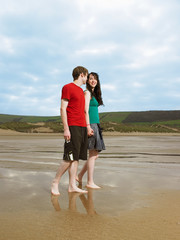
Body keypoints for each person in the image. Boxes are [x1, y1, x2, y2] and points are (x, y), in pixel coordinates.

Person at [51, 66, 89, 195]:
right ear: (82, 74)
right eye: (87, 76)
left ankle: (72, 185)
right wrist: (66, 128)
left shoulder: (81, 91)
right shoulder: (67, 87)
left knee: (76, 158)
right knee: (69, 157)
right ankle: (55, 182)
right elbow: (62, 109)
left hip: (82, 126)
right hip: (72, 126)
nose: (87, 78)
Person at [77, 72, 105, 189]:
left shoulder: (94, 93)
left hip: (96, 124)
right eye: (91, 79)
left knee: (94, 155)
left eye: (95, 79)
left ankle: (79, 176)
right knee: (93, 154)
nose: (93, 81)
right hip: (91, 124)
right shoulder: (87, 93)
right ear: (87, 81)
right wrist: (88, 126)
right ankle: (90, 182)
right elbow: (85, 111)